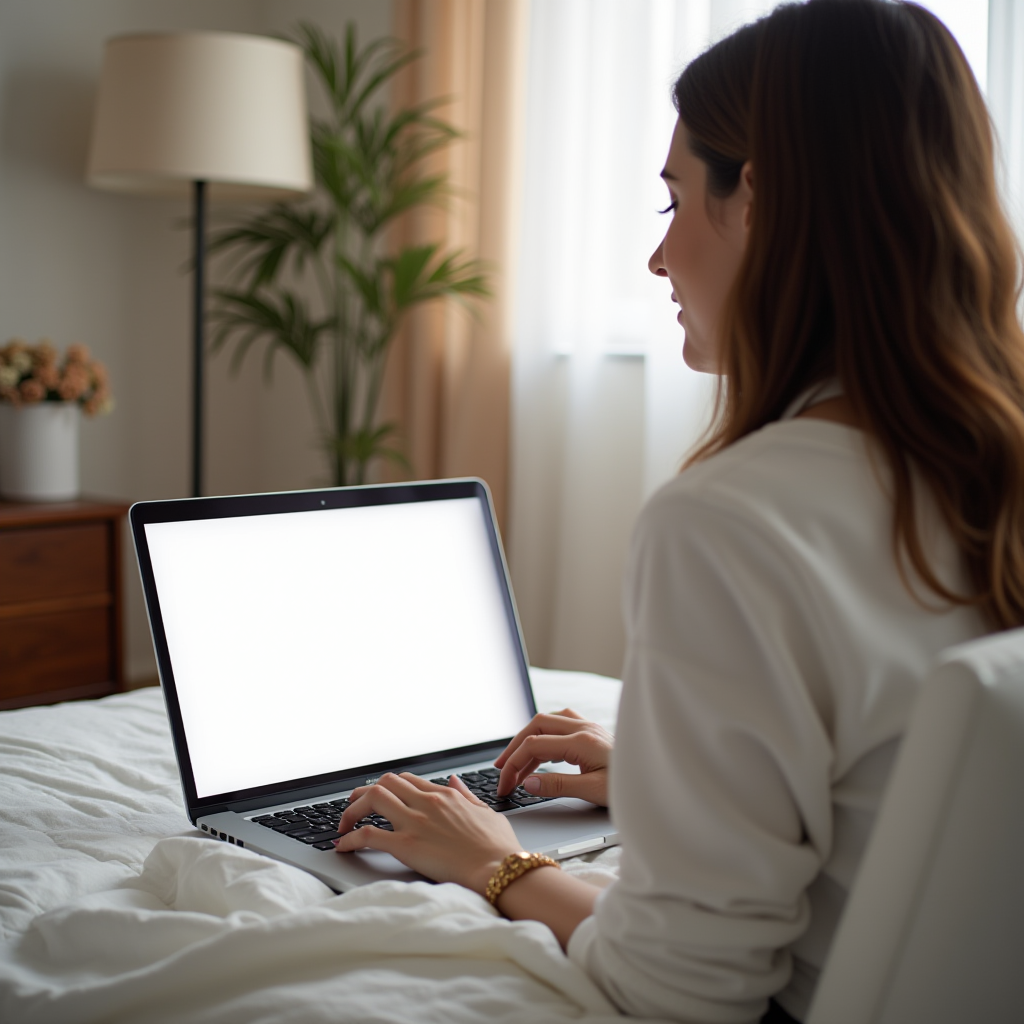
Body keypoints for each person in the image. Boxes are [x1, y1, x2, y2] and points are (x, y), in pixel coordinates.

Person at [332, 1, 1024, 1020]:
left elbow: (678, 990)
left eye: (673, 203)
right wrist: (673, 780)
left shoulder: (734, 521)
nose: (659, 259)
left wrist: (496, 863)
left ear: (763, 199)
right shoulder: (988, 469)